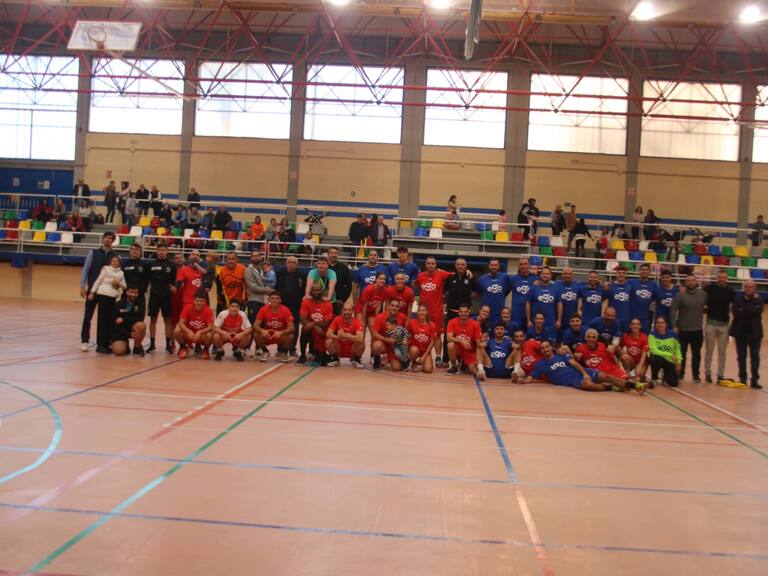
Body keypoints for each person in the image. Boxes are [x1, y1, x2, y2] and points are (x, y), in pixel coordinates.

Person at [528, 341, 640, 393]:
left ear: (550, 347)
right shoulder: (540, 364)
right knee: (588, 386)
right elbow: (530, 378)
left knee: (608, 377)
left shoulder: (561, 355)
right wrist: (521, 381)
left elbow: (574, 363)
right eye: (543, 348)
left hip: (582, 372)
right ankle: (613, 388)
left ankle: (636, 386)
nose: (545, 349)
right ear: (541, 351)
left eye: (547, 346)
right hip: (574, 380)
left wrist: (585, 373)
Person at [79, 232, 116, 351]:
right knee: (87, 316)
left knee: (105, 318)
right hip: (92, 290)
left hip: (106, 292)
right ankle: (85, 341)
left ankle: (104, 342)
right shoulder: (93, 253)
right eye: (106, 238)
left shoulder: (115, 256)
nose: (107, 240)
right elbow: (86, 269)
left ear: (113, 241)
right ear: (103, 239)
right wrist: (82, 285)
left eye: (110, 238)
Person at [414, 256, 453, 367]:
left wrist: (468, 271)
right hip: (423, 312)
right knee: (420, 333)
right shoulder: (420, 276)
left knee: (437, 335)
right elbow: (414, 284)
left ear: (436, 265)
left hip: (436, 311)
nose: (430, 265)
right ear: (425, 265)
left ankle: (438, 357)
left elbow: (454, 274)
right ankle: (419, 355)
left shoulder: (441, 274)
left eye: (433, 263)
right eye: (428, 263)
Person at [670, 274, 707, 383]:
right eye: (688, 280)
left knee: (696, 353)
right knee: (682, 353)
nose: (690, 282)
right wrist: (674, 326)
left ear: (696, 281)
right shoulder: (679, 295)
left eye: (692, 280)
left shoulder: (703, 294)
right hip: (683, 330)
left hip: (697, 329)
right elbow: (673, 310)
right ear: (685, 282)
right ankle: (681, 373)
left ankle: (696, 375)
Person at [88, 254, 126, 353]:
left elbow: (125, 286)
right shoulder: (106, 269)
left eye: (117, 261)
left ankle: (108, 343)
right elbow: (98, 281)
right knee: (102, 321)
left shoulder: (121, 273)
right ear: (110, 262)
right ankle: (100, 345)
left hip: (114, 298)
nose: (115, 262)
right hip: (104, 296)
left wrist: (118, 283)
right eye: (113, 261)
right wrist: (92, 292)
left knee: (110, 321)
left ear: (119, 263)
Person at [730, 279, 764, 389]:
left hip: (755, 333)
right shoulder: (737, 299)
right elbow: (736, 313)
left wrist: (743, 309)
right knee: (741, 357)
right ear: (744, 288)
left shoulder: (759, 300)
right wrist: (750, 309)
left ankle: (754, 380)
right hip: (740, 333)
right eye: (746, 287)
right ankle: (742, 379)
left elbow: (757, 311)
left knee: (755, 357)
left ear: (755, 288)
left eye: (751, 287)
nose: (748, 289)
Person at [703, 270, 735, 383]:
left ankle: (720, 374)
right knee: (709, 350)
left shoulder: (731, 291)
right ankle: (707, 373)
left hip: (724, 326)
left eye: (724, 277)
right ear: (717, 278)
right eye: (720, 277)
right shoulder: (709, 288)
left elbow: (733, 307)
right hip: (710, 324)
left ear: (726, 278)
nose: (721, 279)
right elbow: (699, 295)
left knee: (722, 351)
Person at [146, 241, 178, 354]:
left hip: (167, 297)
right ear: (156, 251)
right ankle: (152, 344)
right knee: (153, 320)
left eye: (163, 250)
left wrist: (174, 287)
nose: (161, 252)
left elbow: (175, 281)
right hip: (154, 296)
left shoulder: (172, 265)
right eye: (159, 250)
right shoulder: (151, 265)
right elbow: (147, 280)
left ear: (167, 251)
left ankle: (168, 344)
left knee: (168, 320)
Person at [275, 256, 306, 356]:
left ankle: (292, 349)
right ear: (286, 263)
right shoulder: (280, 273)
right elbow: (276, 288)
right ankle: (280, 349)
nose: (291, 264)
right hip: (282, 305)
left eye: (293, 262)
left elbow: (304, 290)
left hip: (296, 306)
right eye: (289, 262)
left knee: (295, 327)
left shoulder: (301, 275)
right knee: (281, 326)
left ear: (297, 264)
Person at [298, 283, 334, 366]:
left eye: (318, 290)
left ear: (322, 291)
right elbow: (302, 319)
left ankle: (320, 353)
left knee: (322, 360)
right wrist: (312, 325)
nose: (316, 292)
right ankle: (302, 356)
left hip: (322, 331)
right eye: (314, 290)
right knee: (304, 329)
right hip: (312, 329)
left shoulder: (328, 304)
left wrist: (313, 323)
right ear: (311, 292)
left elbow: (326, 323)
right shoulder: (306, 302)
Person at [253, 291, 295, 362]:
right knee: (256, 333)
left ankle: (284, 352)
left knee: (291, 335)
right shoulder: (263, 309)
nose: (274, 300)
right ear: (269, 299)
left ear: (280, 300)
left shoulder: (285, 310)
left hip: (280, 335)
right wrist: (262, 331)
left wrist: (281, 332)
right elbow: (255, 325)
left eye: (277, 298)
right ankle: (265, 351)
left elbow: (292, 327)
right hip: (268, 334)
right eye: (272, 298)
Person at [174, 289, 214, 359]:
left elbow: (210, 327)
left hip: (201, 335)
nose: (199, 303)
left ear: (205, 301)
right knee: (176, 331)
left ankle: (205, 350)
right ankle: (183, 347)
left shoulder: (209, 310)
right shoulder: (187, 308)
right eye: (197, 301)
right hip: (189, 334)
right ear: (193, 300)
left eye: (201, 301)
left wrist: (200, 332)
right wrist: (188, 331)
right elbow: (181, 323)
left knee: (210, 335)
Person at [445, 304, 482, 377]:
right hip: (458, 350)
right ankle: (454, 366)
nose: (463, 314)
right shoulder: (452, 322)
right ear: (458, 312)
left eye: (465, 312)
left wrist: (480, 364)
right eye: (461, 312)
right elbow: (448, 338)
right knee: (450, 345)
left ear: (469, 312)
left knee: (472, 371)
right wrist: (462, 341)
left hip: (469, 351)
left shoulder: (475, 324)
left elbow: (479, 344)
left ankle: (464, 364)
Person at [370, 300, 407, 371]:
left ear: (399, 308)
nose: (394, 308)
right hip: (383, 344)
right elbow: (374, 333)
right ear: (388, 306)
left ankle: (392, 358)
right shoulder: (380, 317)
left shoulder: (402, 317)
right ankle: (377, 358)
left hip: (394, 346)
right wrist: (386, 339)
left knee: (396, 368)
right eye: (392, 305)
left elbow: (405, 331)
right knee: (377, 345)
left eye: (396, 306)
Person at [325, 302, 365, 368]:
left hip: (352, 349)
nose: (347, 312)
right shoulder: (337, 319)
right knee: (328, 341)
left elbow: (360, 338)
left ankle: (356, 359)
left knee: (361, 342)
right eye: (345, 310)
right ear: (342, 311)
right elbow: (328, 334)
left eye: (349, 310)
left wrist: (345, 336)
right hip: (339, 348)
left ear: (352, 311)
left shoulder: (357, 322)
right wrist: (338, 337)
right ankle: (335, 359)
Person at [110, 285, 147, 356]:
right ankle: (125, 344)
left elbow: (140, 318)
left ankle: (137, 348)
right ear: (126, 292)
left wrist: (124, 319)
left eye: (135, 292)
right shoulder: (119, 304)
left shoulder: (140, 303)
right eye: (131, 292)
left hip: (132, 327)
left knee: (141, 325)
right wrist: (128, 334)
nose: (133, 294)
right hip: (120, 331)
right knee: (119, 351)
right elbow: (116, 324)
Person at [648, 317, 681, 387]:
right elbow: (654, 350)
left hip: (670, 361)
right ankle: (654, 378)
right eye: (658, 323)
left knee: (674, 384)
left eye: (662, 323)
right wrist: (669, 355)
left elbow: (677, 348)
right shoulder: (652, 334)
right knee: (656, 358)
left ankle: (665, 376)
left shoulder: (672, 334)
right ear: (655, 325)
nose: (660, 324)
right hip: (659, 359)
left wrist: (679, 362)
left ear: (666, 324)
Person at [476, 258, 510, 323]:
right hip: (485, 313)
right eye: (492, 265)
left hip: (499, 313)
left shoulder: (505, 277)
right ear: (489, 266)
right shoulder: (482, 279)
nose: (494, 267)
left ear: (499, 266)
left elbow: (507, 290)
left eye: (496, 265)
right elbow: (479, 292)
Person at [526, 266, 558, 330]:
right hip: (535, 323)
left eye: (547, 274)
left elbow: (559, 304)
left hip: (551, 323)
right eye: (543, 274)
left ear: (550, 275)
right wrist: (528, 320)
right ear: (540, 275)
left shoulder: (556, 288)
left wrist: (559, 320)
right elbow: (528, 303)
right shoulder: (533, 288)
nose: (545, 275)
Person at [407, 304, 437, 374]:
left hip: (425, 351)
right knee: (414, 350)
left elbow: (432, 342)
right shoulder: (411, 323)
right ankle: (414, 363)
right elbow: (407, 336)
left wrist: (424, 356)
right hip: (415, 349)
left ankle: (421, 362)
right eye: (419, 310)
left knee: (428, 370)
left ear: (427, 312)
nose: (421, 312)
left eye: (423, 310)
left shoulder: (432, 325)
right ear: (417, 312)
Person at [630, 263, 658, 334]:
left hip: (646, 317)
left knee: (645, 336)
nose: (644, 271)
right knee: (632, 336)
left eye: (646, 270)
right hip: (633, 316)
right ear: (639, 271)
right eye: (642, 269)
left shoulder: (653, 284)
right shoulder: (631, 282)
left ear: (649, 272)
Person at [620, 318, 649, 384]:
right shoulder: (625, 336)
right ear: (630, 326)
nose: (635, 326)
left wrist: (639, 367)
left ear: (640, 326)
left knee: (639, 374)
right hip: (631, 361)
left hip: (641, 361)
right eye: (633, 324)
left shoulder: (644, 337)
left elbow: (644, 354)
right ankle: (628, 376)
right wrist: (623, 353)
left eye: (637, 324)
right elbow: (619, 348)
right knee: (624, 357)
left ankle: (640, 374)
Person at [244, 251, 270, 323]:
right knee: (253, 323)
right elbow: (253, 288)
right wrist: (268, 290)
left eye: (257, 255)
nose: (255, 257)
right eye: (253, 256)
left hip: (264, 301)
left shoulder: (263, 269)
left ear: (261, 257)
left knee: (263, 324)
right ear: (251, 258)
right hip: (254, 301)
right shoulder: (248, 271)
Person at [509, 258, 535, 329]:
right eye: (521, 264)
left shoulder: (535, 279)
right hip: (516, 314)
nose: (523, 266)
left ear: (529, 265)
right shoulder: (513, 279)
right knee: (516, 333)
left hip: (531, 313)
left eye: (525, 264)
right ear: (518, 266)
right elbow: (505, 291)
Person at [327, 247, 352, 315]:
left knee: (338, 320)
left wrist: (342, 300)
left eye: (335, 253)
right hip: (324, 301)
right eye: (331, 253)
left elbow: (349, 286)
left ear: (338, 255)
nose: (333, 255)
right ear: (328, 254)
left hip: (338, 302)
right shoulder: (323, 266)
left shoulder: (344, 268)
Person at [556, 267, 579, 334]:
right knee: (558, 338)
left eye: (569, 274)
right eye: (565, 274)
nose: (567, 276)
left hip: (573, 320)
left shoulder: (577, 285)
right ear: (562, 274)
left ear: (572, 275)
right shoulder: (556, 284)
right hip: (558, 320)